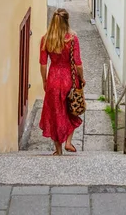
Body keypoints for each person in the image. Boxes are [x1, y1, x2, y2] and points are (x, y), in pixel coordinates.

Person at [39, 8, 85, 155]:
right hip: (69, 80)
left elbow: (43, 64)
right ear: (66, 21)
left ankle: (58, 150)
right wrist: (81, 78)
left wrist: (45, 81)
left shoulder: (46, 39)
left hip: (53, 79)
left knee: (55, 114)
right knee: (71, 109)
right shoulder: (72, 39)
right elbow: (78, 64)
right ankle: (69, 142)